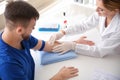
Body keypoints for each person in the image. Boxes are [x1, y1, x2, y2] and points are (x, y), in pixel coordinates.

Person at [0, 1, 79, 80]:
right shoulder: (8, 65)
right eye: (32, 27)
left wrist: (74, 44)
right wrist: (60, 77)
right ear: (20, 30)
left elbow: (46, 46)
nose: (33, 29)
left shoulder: (20, 37)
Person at [49, 0, 120, 57]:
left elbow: (100, 51)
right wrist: (63, 32)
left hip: (114, 57)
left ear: (116, 10)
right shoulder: (102, 13)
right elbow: (84, 25)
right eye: (97, 6)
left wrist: (74, 46)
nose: (96, 10)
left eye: (101, 9)